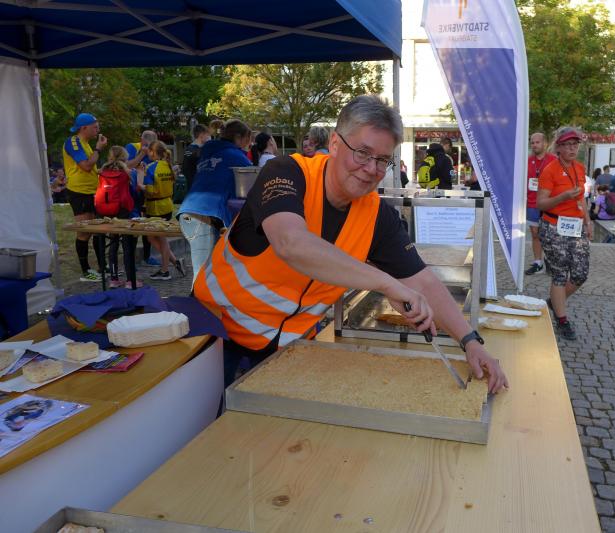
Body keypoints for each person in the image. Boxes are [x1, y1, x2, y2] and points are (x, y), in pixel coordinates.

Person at [193, 95, 508, 392]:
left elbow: (422, 281)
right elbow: (291, 243)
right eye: (362, 153)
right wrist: (386, 283)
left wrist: (470, 341)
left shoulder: (376, 216)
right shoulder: (286, 172)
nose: (371, 169)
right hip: (215, 334)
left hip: (285, 349)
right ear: (334, 143)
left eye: (382, 160)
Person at [178, 119, 253, 283]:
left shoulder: (209, 150)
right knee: (202, 276)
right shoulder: (237, 157)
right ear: (239, 137)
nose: (249, 144)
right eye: (248, 139)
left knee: (209, 272)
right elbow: (250, 185)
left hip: (192, 212)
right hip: (202, 215)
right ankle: (197, 300)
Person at [536, 127, 593, 341]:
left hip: (576, 226)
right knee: (559, 274)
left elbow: (580, 198)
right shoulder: (550, 170)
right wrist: (563, 197)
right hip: (553, 226)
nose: (572, 148)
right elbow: (541, 203)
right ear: (558, 148)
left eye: (575, 144)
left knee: (580, 273)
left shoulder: (579, 167)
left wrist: (587, 221)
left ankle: (554, 301)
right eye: (567, 145)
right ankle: (562, 320)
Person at [62, 112, 108, 282]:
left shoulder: (86, 144)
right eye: (95, 127)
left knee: (96, 229)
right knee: (84, 232)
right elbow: (86, 166)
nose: (98, 130)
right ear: (84, 128)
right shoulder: (73, 142)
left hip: (92, 191)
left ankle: (102, 266)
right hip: (79, 192)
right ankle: (86, 271)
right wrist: (99, 149)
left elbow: (91, 168)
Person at [138, 141, 185, 280]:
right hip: (167, 204)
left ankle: (165, 271)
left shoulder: (151, 168)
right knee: (152, 237)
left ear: (153, 152)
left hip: (156, 207)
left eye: (149, 151)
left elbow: (150, 191)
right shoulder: (168, 166)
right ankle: (175, 262)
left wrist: (140, 184)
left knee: (161, 239)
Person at [96, 146, 139, 288]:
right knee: (127, 245)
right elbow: (135, 191)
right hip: (122, 210)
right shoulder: (127, 172)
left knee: (113, 244)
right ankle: (130, 280)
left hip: (106, 210)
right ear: (124, 158)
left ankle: (113, 278)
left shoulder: (102, 172)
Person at [524, 132, 556, 275]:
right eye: (532, 142)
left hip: (550, 203)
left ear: (545, 144)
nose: (534, 145)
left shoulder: (553, 160)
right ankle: (538, 262)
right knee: (535, 234)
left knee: (551, 234)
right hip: (532, 203)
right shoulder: (527, 161)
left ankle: (552, 262)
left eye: (537, 142)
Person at [126, 130, 158, 267]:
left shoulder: (153, 149)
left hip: (146, 190)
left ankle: (147, 255)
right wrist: (141, 154)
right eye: (147, 145)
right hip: (132, 191)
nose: (149, 148)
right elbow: (127, 165)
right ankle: (131, 259)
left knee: (147, 224)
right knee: (134, 225)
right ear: (142, 140)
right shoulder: (131, 147)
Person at [182, 124, 210, 192]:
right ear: (202, 135)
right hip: (196, 187)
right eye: (207, 135)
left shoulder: (190, 148)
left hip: (191, 186)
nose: (208, 137)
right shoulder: (197, 150)